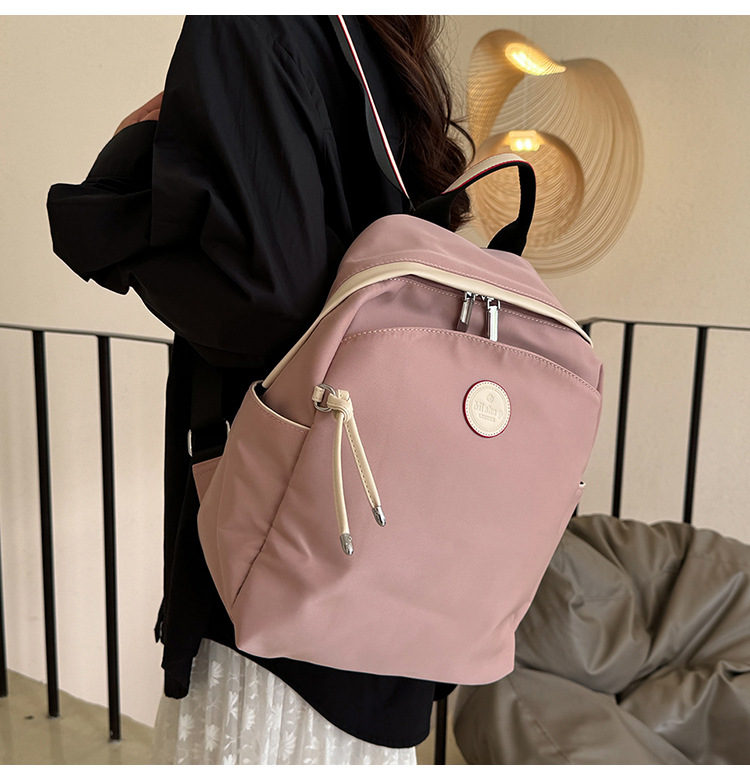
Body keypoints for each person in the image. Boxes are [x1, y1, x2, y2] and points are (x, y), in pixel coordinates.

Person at [47, 15, 473, 765]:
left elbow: (262, 298)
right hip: (386, 543)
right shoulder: (381, 42)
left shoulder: (248, 21)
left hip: (278, 546)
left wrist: (130, 155)